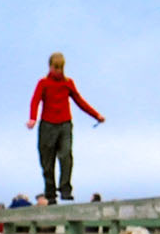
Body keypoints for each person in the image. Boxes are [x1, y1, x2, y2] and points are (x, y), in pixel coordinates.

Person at [26, 52, 104, 203]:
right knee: (47, 162)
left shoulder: (68, 83)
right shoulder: (43, 83)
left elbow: (80, 101)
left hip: (65, 125)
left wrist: (96, 115)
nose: (58, 71)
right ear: (50, 67)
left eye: (61, 68)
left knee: (66, 155)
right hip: (47, 125)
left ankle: (65, 189)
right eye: (56, 68)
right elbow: (35, 100)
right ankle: (50, 193)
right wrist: (32, 118)